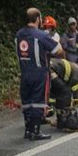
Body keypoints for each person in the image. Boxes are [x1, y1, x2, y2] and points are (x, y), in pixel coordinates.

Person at [15, 8, 63, 140]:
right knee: (37, 101)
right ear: (37, 19)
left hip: (24, 72)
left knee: (27, 101)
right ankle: (35, 131)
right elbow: (59, 51)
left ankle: (28, 130)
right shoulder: (41, 35)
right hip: (39, 72)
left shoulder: (19, 34)